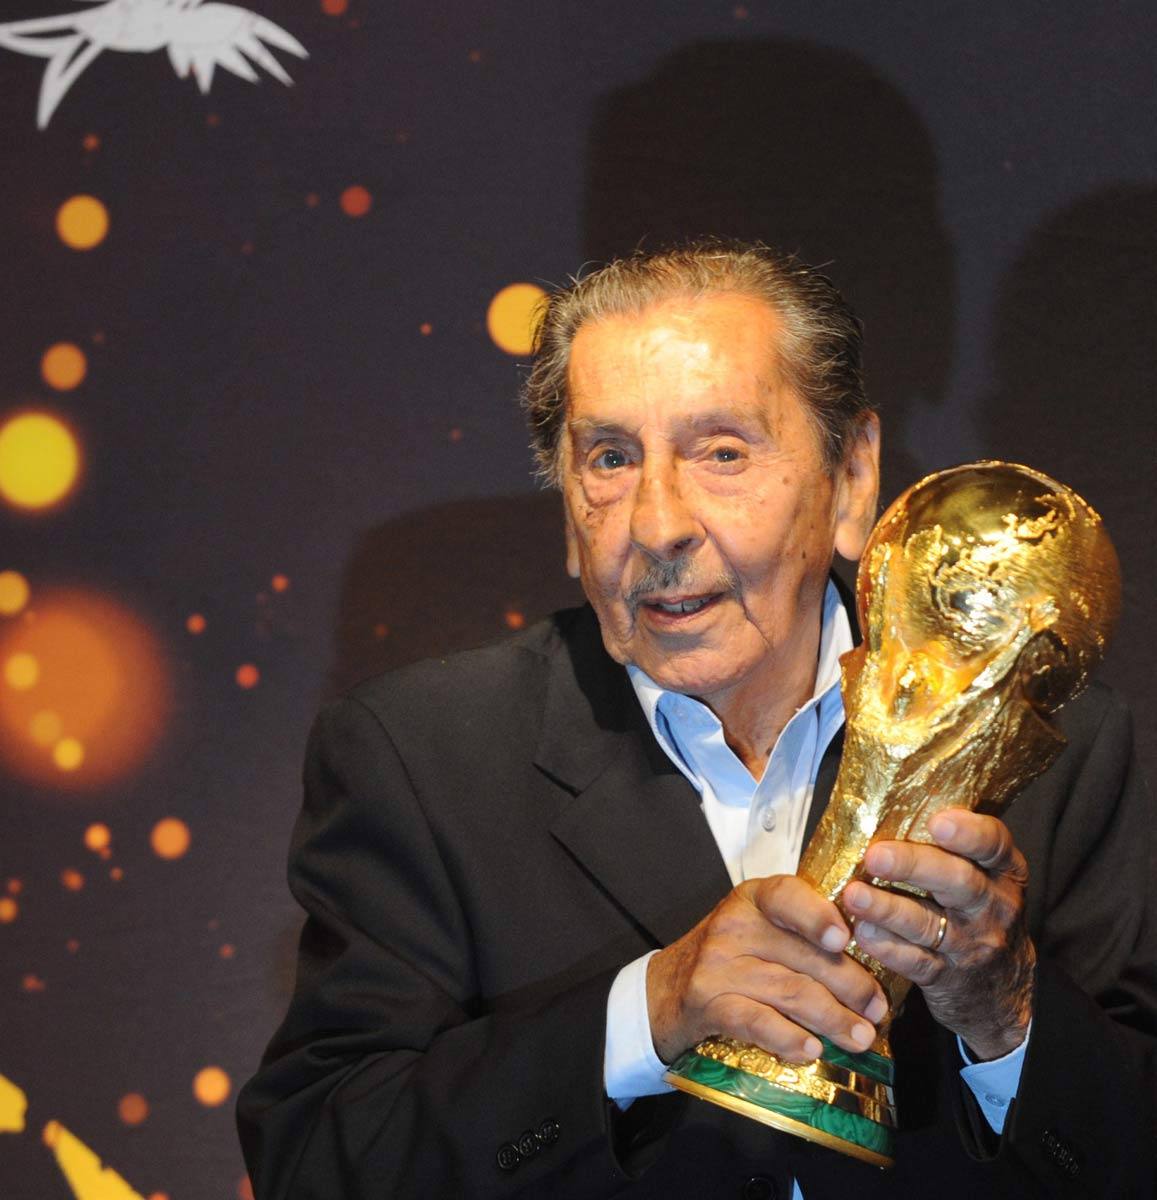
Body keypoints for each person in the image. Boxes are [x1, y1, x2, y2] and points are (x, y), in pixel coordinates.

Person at [237, 241, 1155, 1198]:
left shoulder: (1053, 749)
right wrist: (644, 1016)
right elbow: (317, 1163)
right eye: (610, 458)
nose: (657, 525)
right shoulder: (420, 754)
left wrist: (1005, 1013)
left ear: (850, 479)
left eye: (721, 453)